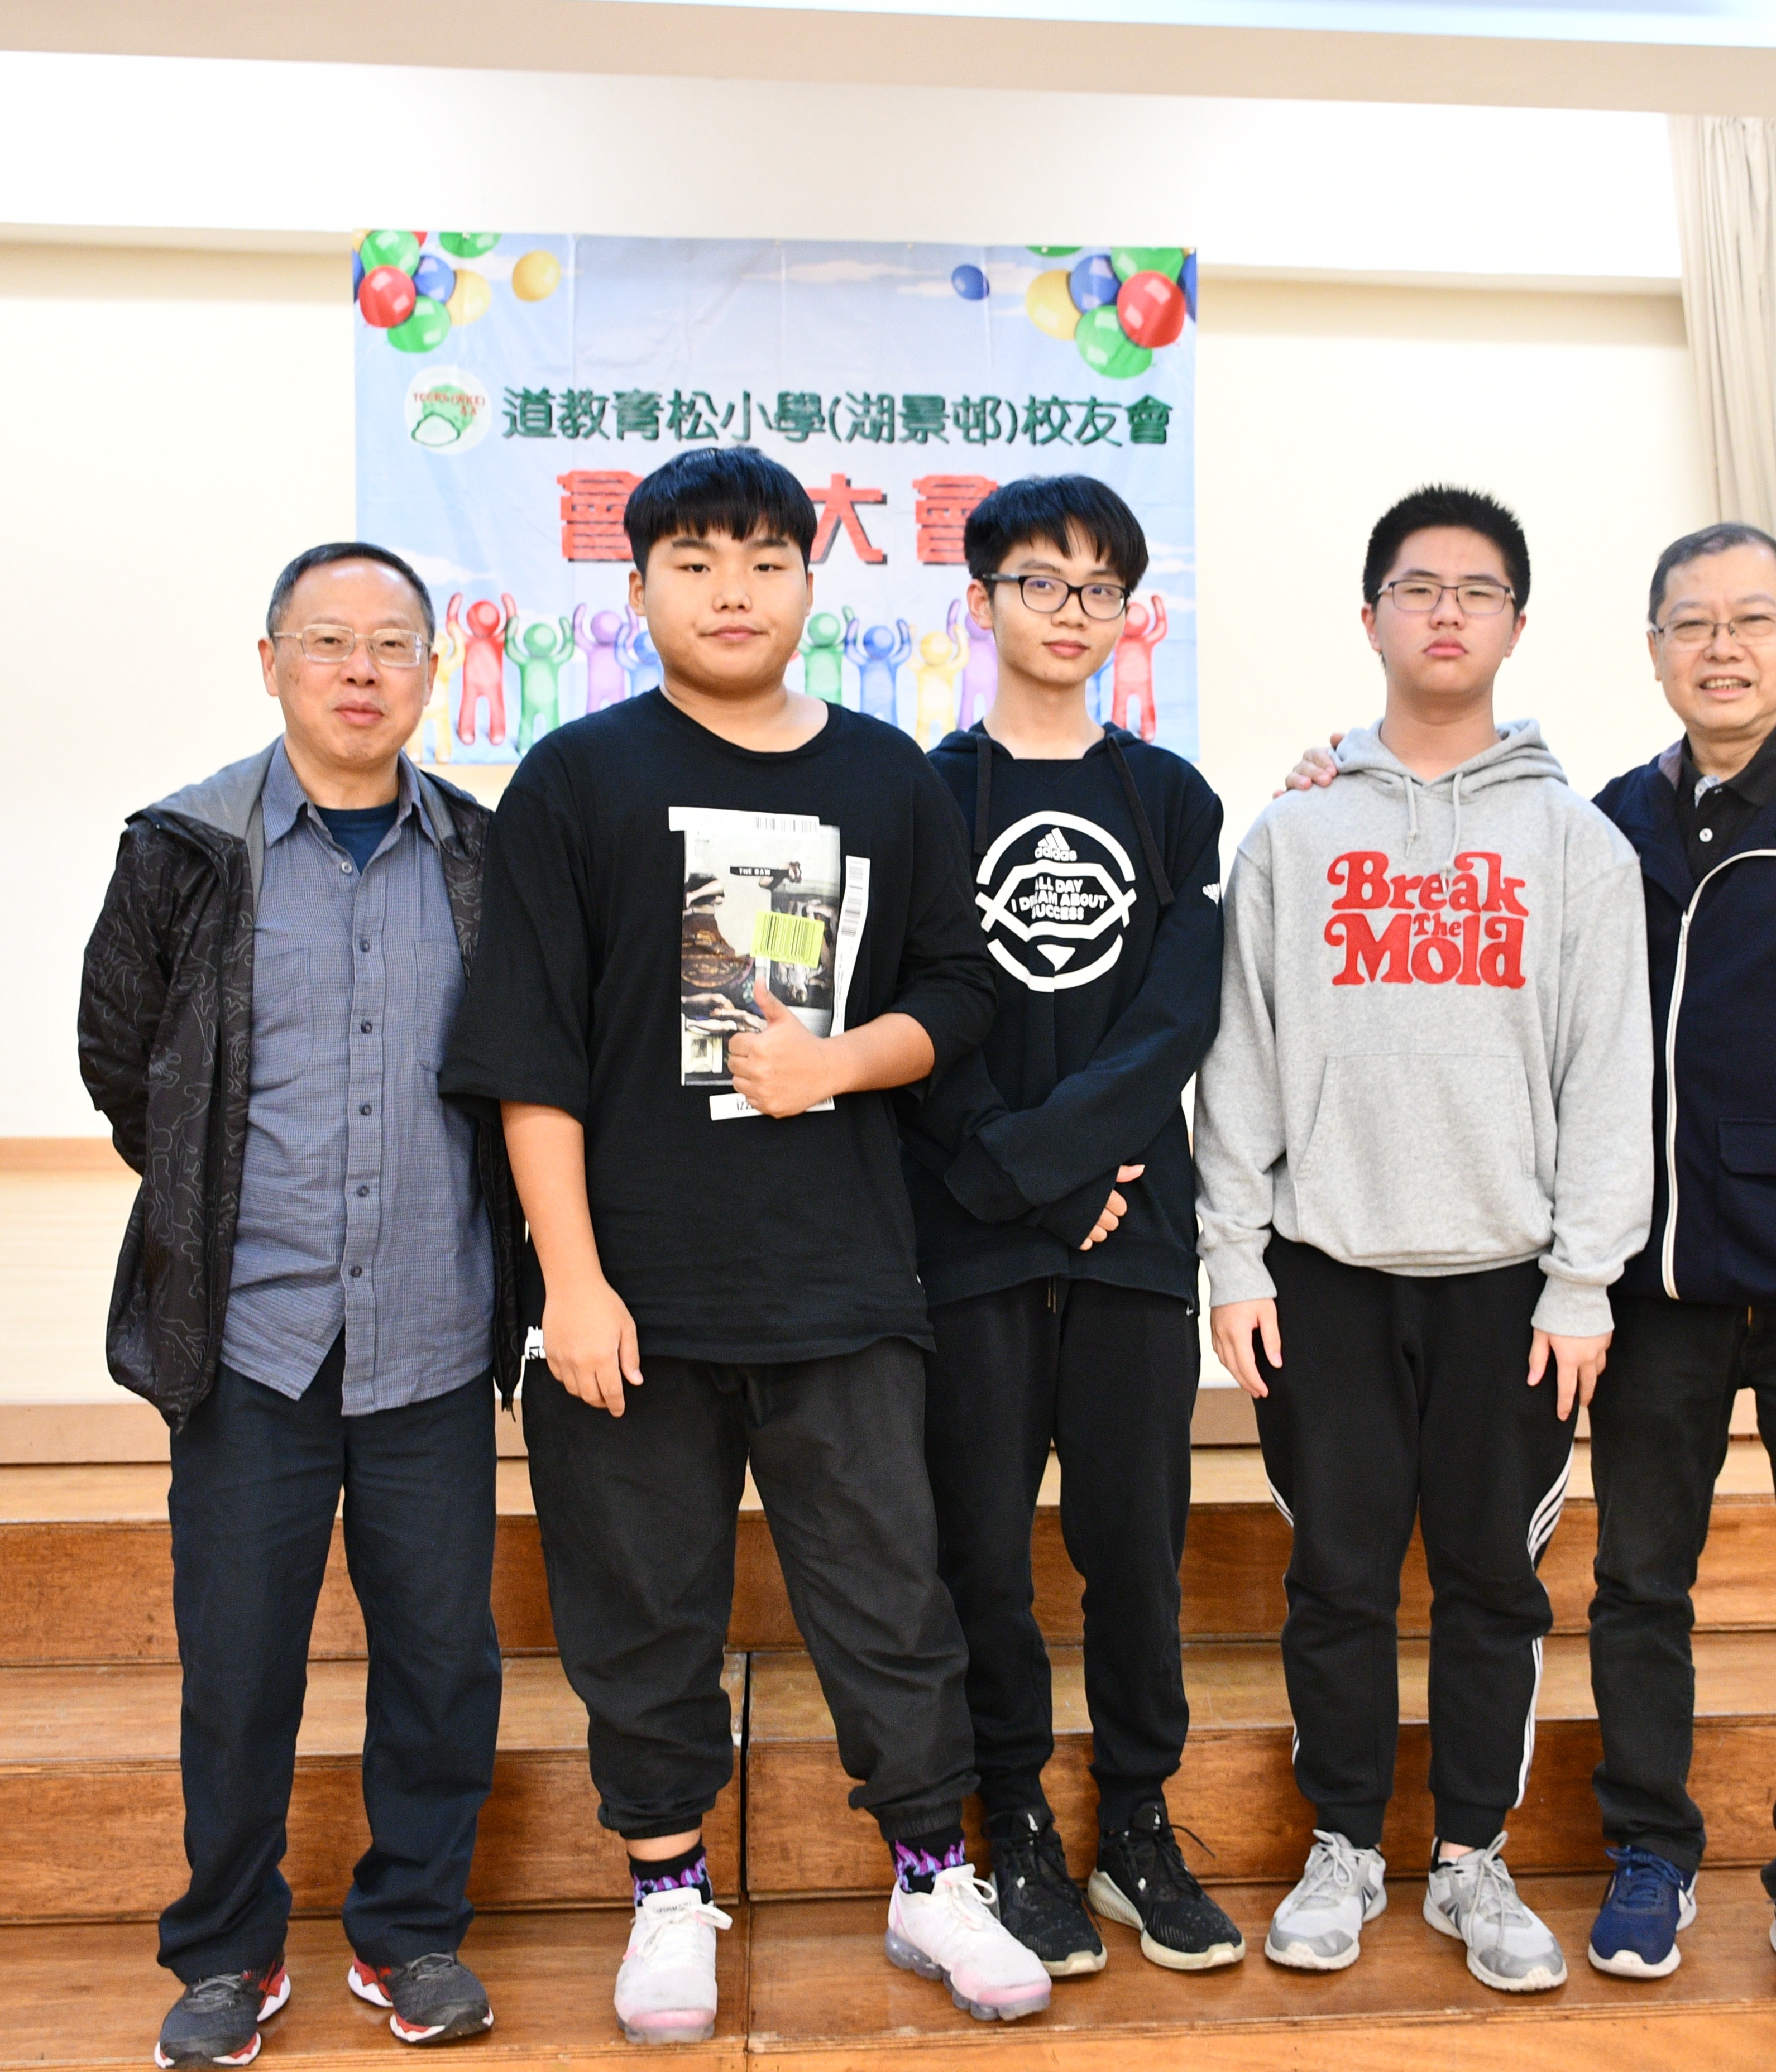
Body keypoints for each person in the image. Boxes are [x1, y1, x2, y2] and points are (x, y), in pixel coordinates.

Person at [1281, 519, 1776, 2022]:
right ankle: (1652, 1854)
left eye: (1753, 620)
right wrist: (1335, 786)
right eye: (1692, 624)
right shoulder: (1619, 820)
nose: (1722, 649)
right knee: (1636, 1590)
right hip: (1655, 1287)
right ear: (1655, 647)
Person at [436, 445, 1050, 2045]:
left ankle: (930, 1877)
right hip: (632, 1293)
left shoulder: (886, 776)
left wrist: (836, 1062)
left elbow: (960, 994)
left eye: (767, 561)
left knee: (890, 1596)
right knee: (641, 1606)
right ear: (637, 587)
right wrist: (572, 1282)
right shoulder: (575, 780)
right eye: (696, 563)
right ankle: (666, 1890)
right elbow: (530, 1055)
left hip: (840, 1275)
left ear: (809, 584)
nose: (733, 591)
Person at [1197, 486, 1652, 1996]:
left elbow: (1611, 1076)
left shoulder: (1576, 843)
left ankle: (1470, 1857)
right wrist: (1236, 1255)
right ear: (1372, 616)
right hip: (1324, 1275)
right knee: (1336, 1581)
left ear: (1517, 625)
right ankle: (1343, 1846)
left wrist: (1584, 1280)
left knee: (1492, 1585)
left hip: (1511, 1289)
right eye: (1417, 586)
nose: (1446, 611)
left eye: (1477, 590)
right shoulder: (1295, 830)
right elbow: (1242, 1055)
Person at [79, 541, 515, 2066]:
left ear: (432, 672)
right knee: (240, 1664)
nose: (360, 670)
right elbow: (123, 1064)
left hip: (434, 1327)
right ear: (270, 662)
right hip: (251, 1339)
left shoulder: (482, 853)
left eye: (392, 644)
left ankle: (414, 1935)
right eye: (328, 641)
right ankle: (226, 1952)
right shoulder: (186, 848)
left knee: (444, 1662)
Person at [900, 476, 1241, 1979]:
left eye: (1100, 589)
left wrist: (1071, 1164)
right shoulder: (924, 793)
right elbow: (914, 1016)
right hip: (970, 1232)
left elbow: (1176, 1019)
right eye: (1040, 582)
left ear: (1129, 616)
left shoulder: (1168, 797)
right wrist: (1034, 1177)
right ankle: (1019, 1824)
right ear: (981, 603)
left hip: (1133, 1237)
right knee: (980, 1549)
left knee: (1135, 1550)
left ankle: (1140, 1823)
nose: (1069, 612)